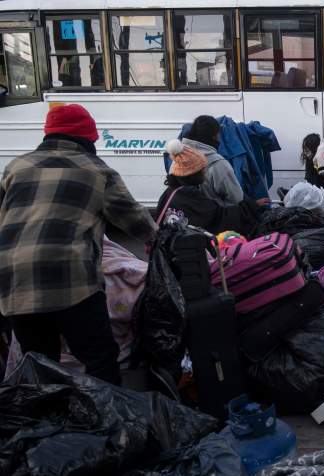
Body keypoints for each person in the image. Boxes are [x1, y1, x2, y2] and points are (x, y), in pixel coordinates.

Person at [0, 104, 156, 385]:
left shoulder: (16, 167)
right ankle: (105, 423)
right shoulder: (97, 171)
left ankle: (49, 422)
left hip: (14, 281)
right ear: (87, 138)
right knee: (98, 357)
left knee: (40, 362)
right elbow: (136, 222)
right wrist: (158, 241)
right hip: (72, 279)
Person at [158, 139, 266, 237]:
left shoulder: (169, 193)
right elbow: (222, 218)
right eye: (202, 169)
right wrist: (252, 206)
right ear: (194, 174)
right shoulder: (194, 199)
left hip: (168, 254)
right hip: (187, 256)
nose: (204, 172)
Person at [183, 115, 244, 206]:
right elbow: (237, 198)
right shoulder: (218, 163)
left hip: (182, 216)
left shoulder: (178, 157)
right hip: (211, 217)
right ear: (214, 136)